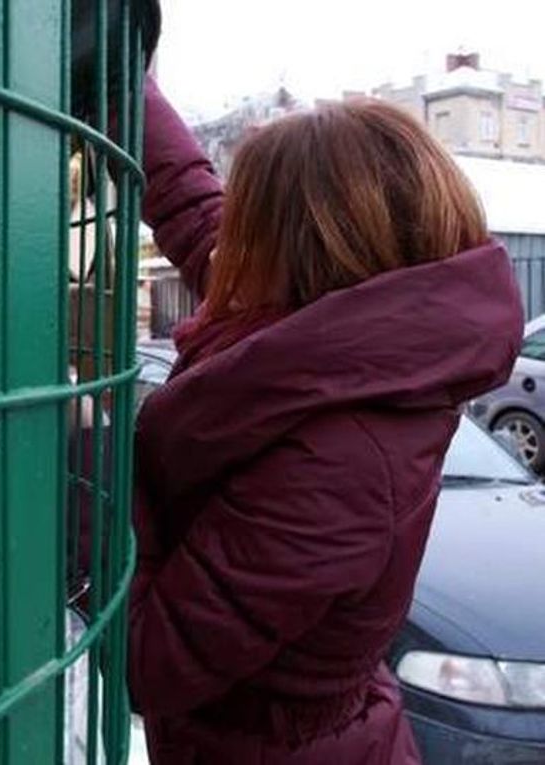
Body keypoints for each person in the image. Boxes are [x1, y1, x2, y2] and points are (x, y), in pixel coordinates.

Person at [130, 78, 524, 763]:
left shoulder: (340, 462)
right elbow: (195, 211)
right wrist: (125, 88)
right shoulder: (346, 342)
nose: (229, 244)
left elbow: (149, 658)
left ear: (296, 250)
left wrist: (83, 455)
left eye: (250, 224)